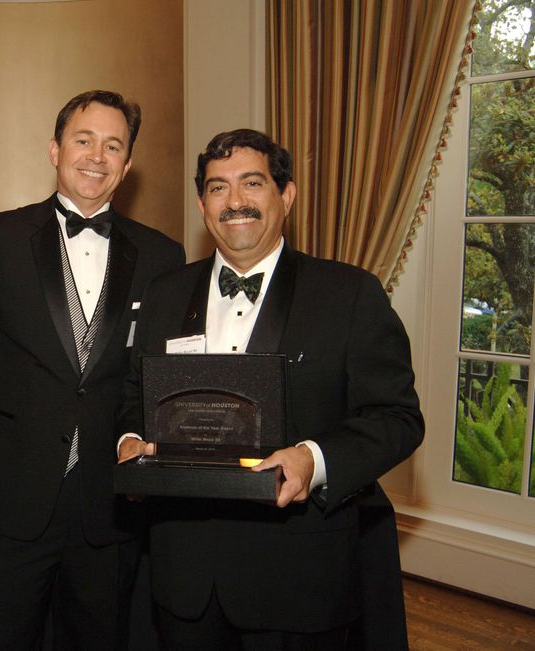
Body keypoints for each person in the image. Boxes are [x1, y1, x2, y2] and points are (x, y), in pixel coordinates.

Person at [117, 128, 423, 649]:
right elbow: (133, 395)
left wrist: (313, 458)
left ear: (286, 195)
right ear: (201, 203)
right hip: (185, 576)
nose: (235, 201)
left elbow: (396, 419)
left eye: (252, 183)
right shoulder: (164, 294)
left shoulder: (349, 294)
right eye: (217, 188)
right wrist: (128, 439)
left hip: (297, 578)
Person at [0, 90, 184, 650]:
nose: (96, 156)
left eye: (114, 146)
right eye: (83, 140)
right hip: (12, 496)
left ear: (128, 166)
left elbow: (156, 375)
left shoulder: (162, 256)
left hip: (108, 502)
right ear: (55, 150)